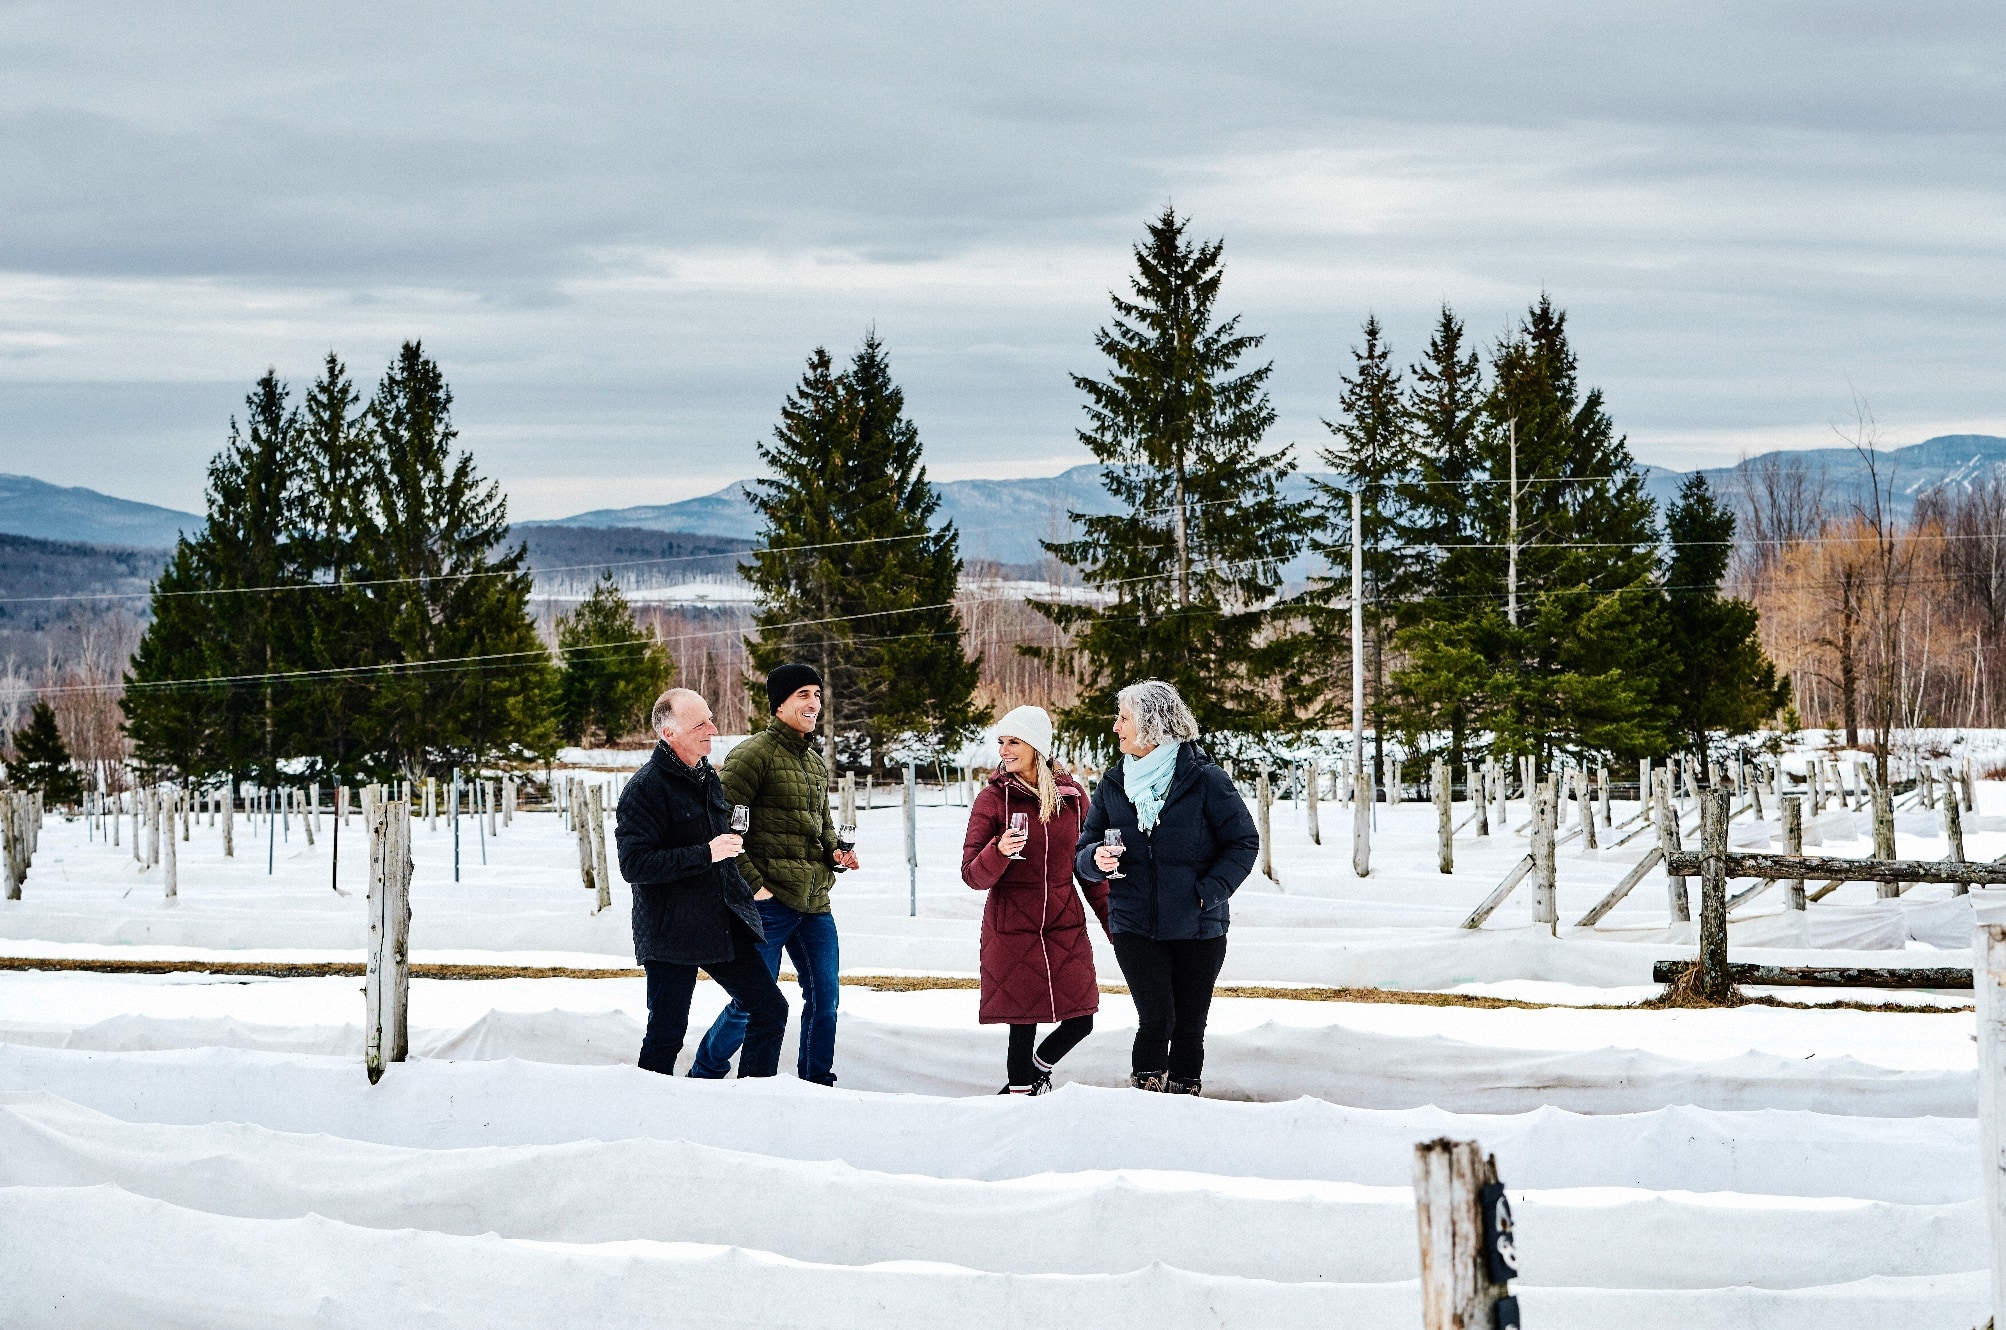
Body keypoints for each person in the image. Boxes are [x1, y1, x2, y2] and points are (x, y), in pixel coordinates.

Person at [1075, 680, 1257, 1095]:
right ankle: (1145, 1098)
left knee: (1190, 1024)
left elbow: (1243, 842)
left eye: (1124, 718)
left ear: (1151, 724)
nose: (1116, 727)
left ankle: (1185, 1100)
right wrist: (1094, 860)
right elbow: (1084, 848)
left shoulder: (1205, 779)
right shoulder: (1114, 783)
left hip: (1198, 925)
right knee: (1156, 1019)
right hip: (1134, 923)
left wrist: (1208, 891)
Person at [688, 663, 859, 1084]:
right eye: (803, 694)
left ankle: (816, 1082)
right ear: (779, 704)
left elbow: (822, 827)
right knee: (751, 1003)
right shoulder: (752, 755)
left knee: (825, 1001)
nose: (814, 703)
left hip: (814, 902)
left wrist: (836, 853)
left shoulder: (814, 763)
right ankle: (705, 1071)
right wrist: (755, 887)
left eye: (817, 695)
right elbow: (722, 826)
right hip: (768, 904)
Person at [616, 687, 790, 1077]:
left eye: (710, 719)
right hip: (671, 930)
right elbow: (635, 865)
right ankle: (647, 1109)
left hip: (720, 921)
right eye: (700, 724)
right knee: (666, 1035)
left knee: (769, 1010)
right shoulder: (644, 790)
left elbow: (717, 845)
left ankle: (753, 1097)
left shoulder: (707, 775)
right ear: (669, 734)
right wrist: (706, 853)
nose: (713, 729)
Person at [960, 705, 1107, 1095]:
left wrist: (1117, 928)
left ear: (1037, 746)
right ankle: (1018, 1101)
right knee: (1022, 1025)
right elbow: (972, 875)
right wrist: (999, 851)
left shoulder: (1072, 798)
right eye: (1001, 742)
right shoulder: (992, 800)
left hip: (1064, 922)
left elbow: (1088, 869)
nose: (1004, 751)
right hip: (1012, 926)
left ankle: (1034, 1075)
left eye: (1014, 742)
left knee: (1082, 1018)